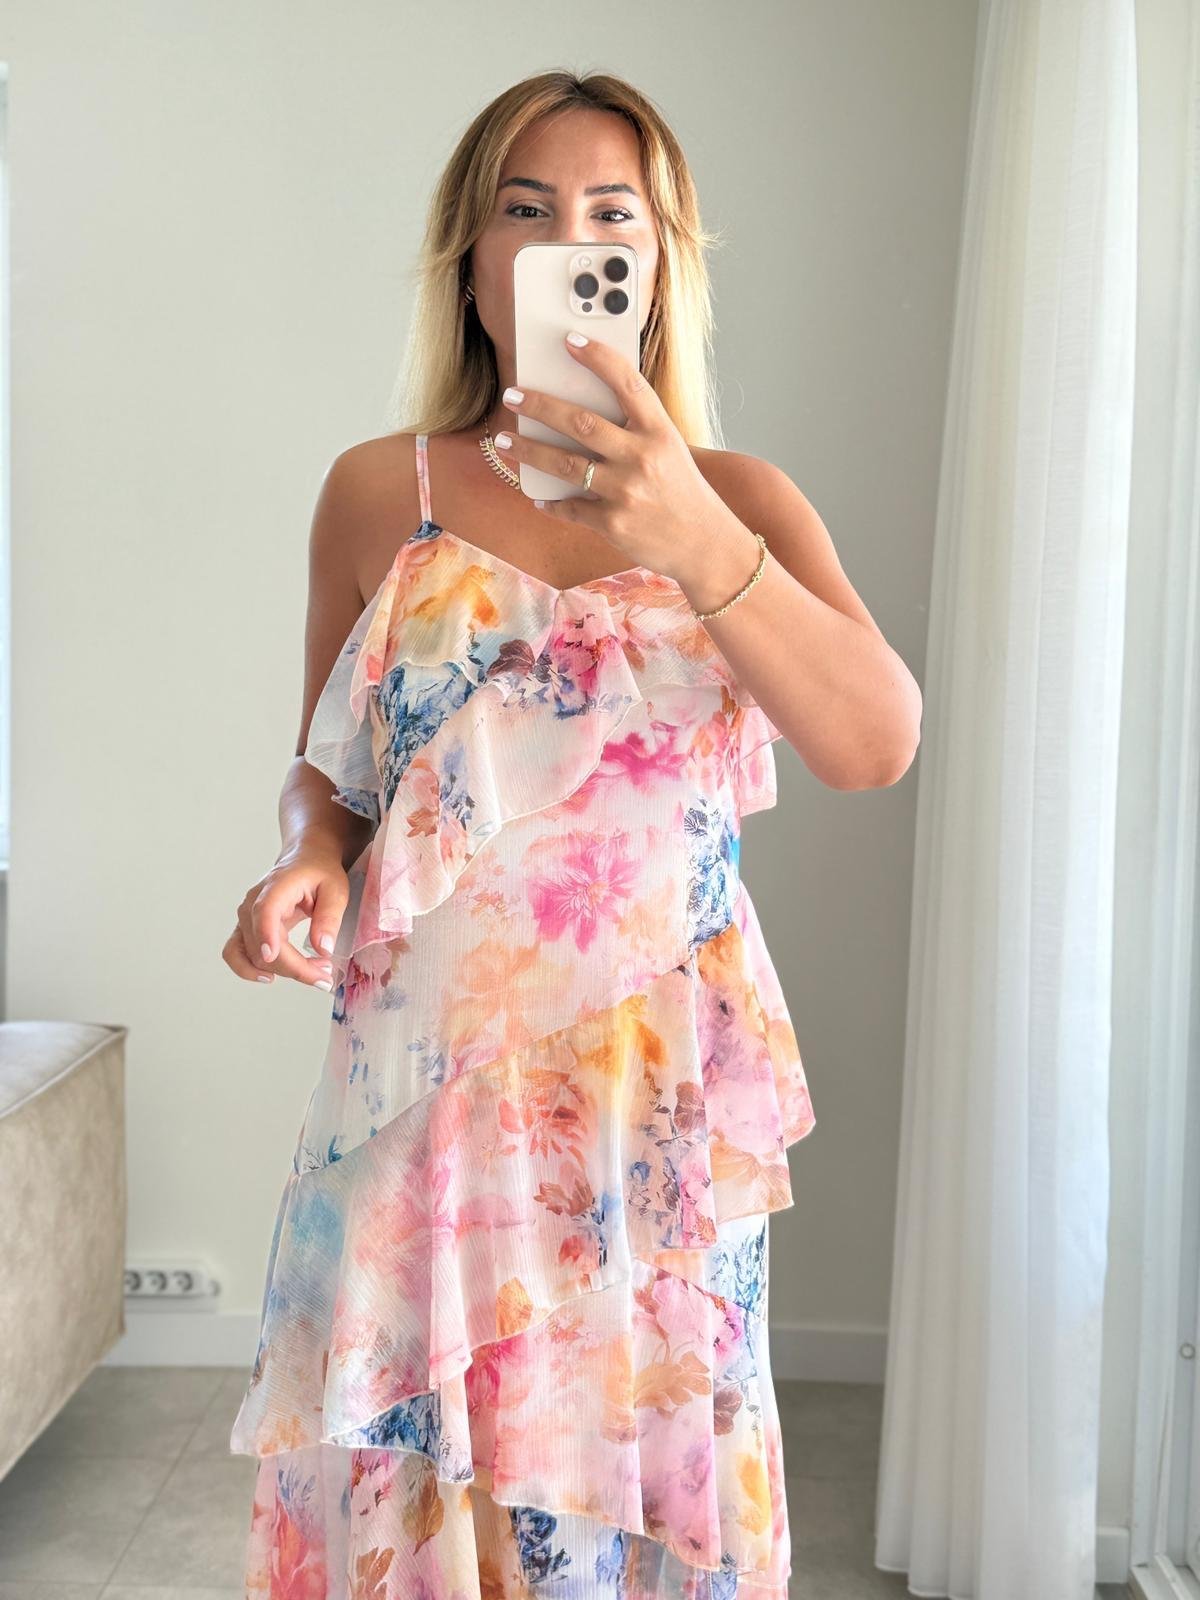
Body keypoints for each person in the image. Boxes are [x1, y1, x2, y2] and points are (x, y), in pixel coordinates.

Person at [222, 67, 920, 1600]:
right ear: (470, 264)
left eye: (613, 217)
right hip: (425, 1100)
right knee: (435, 1519)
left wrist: (690, 535)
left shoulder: (740, 498)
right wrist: (308, 859)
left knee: (631, 1519)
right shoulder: (378, 492)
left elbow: (875, 742)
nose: (567, 247)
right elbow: (332, 769)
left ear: (661, 262)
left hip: (647, 1115)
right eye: (525, 213)